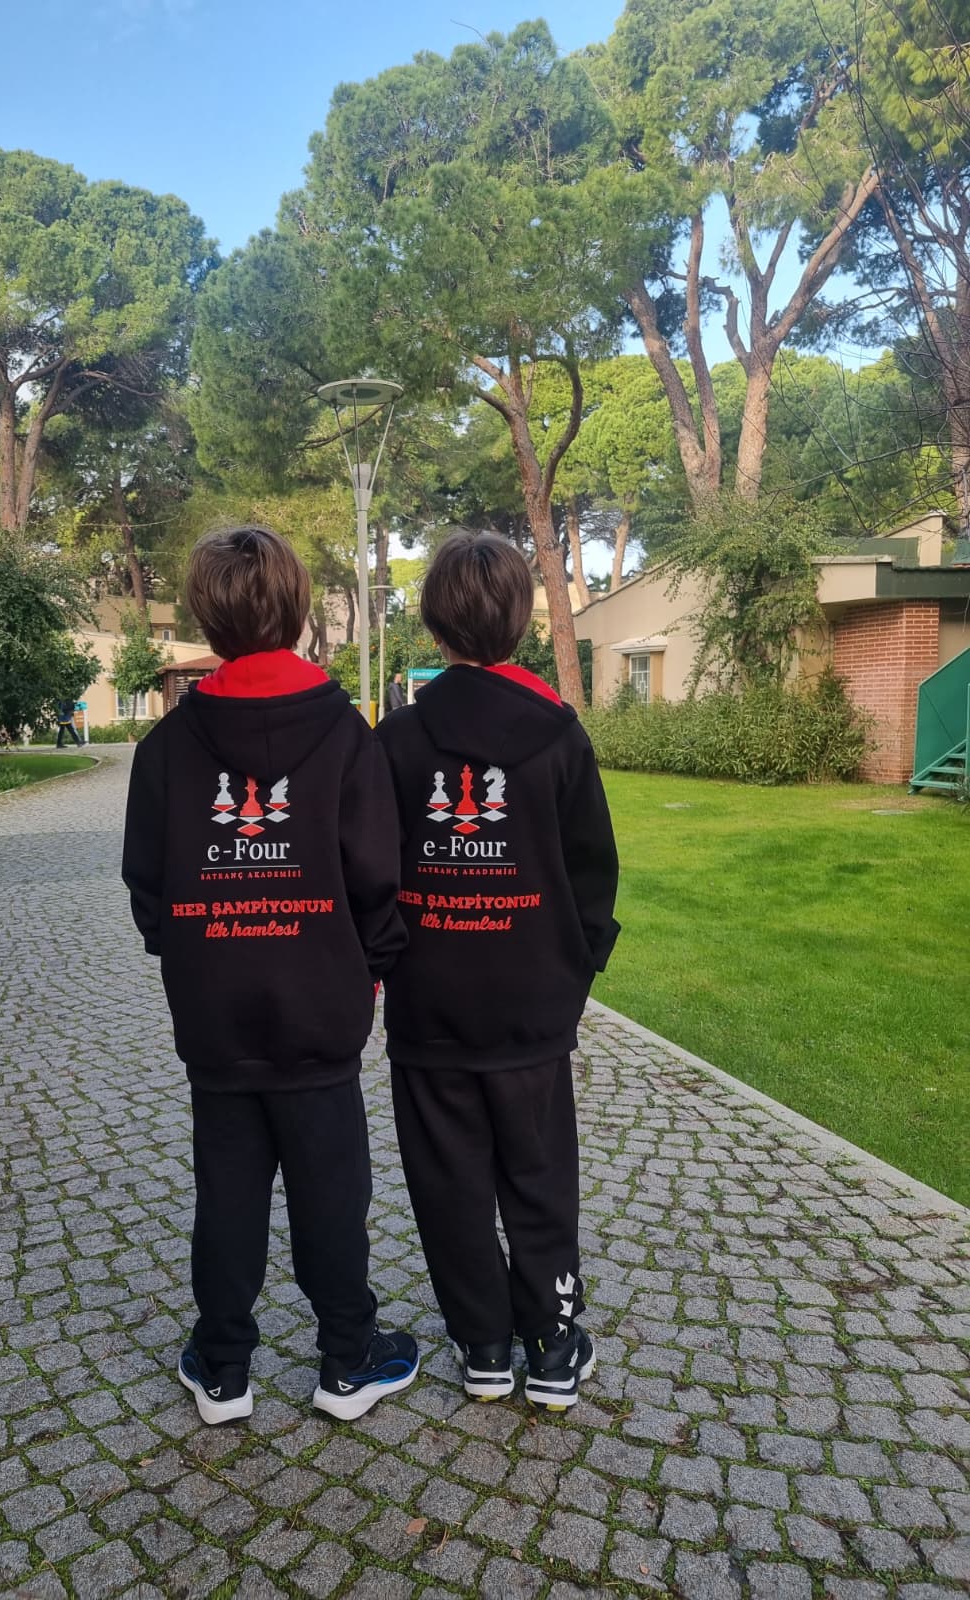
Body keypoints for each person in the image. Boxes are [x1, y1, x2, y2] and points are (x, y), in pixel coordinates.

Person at [122, 525, 418, 1426]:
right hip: (320, 1012)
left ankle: (222, 1368)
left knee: (227, 1190)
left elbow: (149, 889)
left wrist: (199, 953)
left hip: (216, 1014)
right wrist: (365, 968)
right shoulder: (347, 736)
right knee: (334, 1190)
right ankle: (347, 1359)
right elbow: (378, 878)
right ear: (295, 609)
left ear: (205, 617)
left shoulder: (167, 747)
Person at [376, 530, 619, 1411]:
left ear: (433, 622)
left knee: (447, 1180)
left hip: (431, 1006)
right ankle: (551, 1343)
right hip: (531, 1006)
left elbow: (370, 869)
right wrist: (574, 969)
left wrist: (388, 962)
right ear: (521, 619)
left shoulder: (399, 739)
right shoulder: (560, 736)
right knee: (538, 1175)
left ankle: (482, 1343)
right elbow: (594, 874)